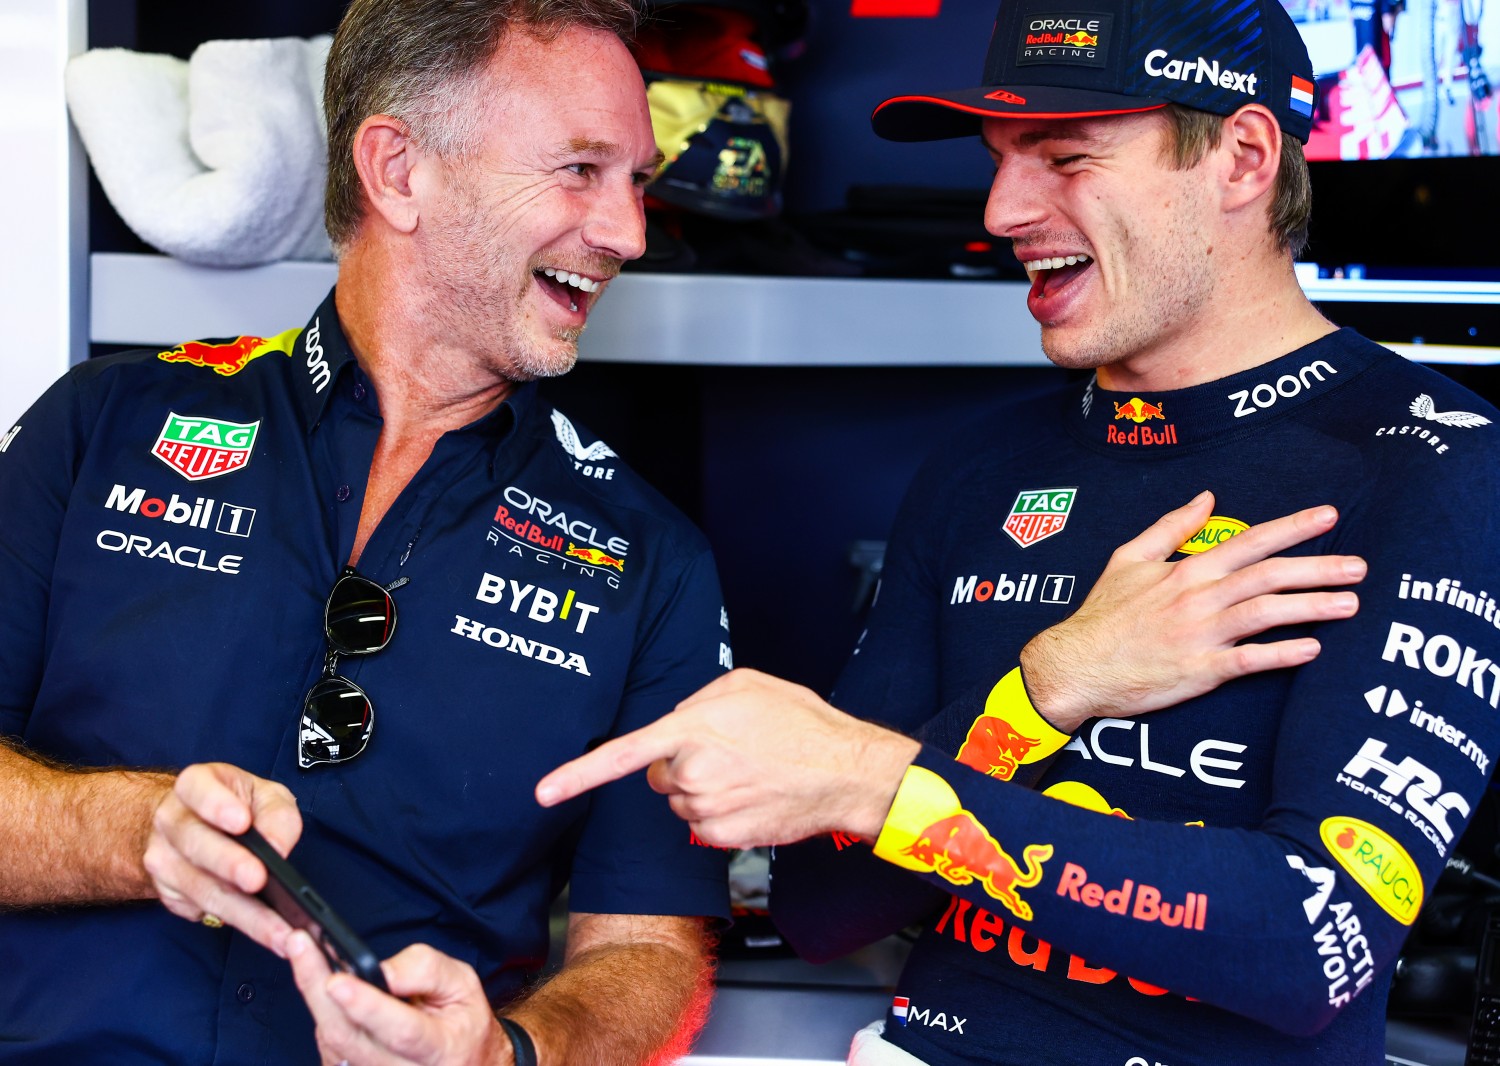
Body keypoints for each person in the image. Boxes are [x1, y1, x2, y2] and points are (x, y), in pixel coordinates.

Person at [536, 0, 1500, 1063]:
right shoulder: (984, 468)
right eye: (1000, 157)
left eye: (1068, 156)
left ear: (1242, 155)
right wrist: (1045, 689)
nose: (1000, 209)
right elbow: (822, 903)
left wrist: (879, 778)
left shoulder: (1428, 461)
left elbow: (1315, 945)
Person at [0, 1, 733, 1063]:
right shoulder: (101, 426)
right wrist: (133, 832)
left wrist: (508, 1054)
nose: (628, 231)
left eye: (637, 179)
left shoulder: (651, 559)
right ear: (396, 170)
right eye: (580, 170)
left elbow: (652, 951)